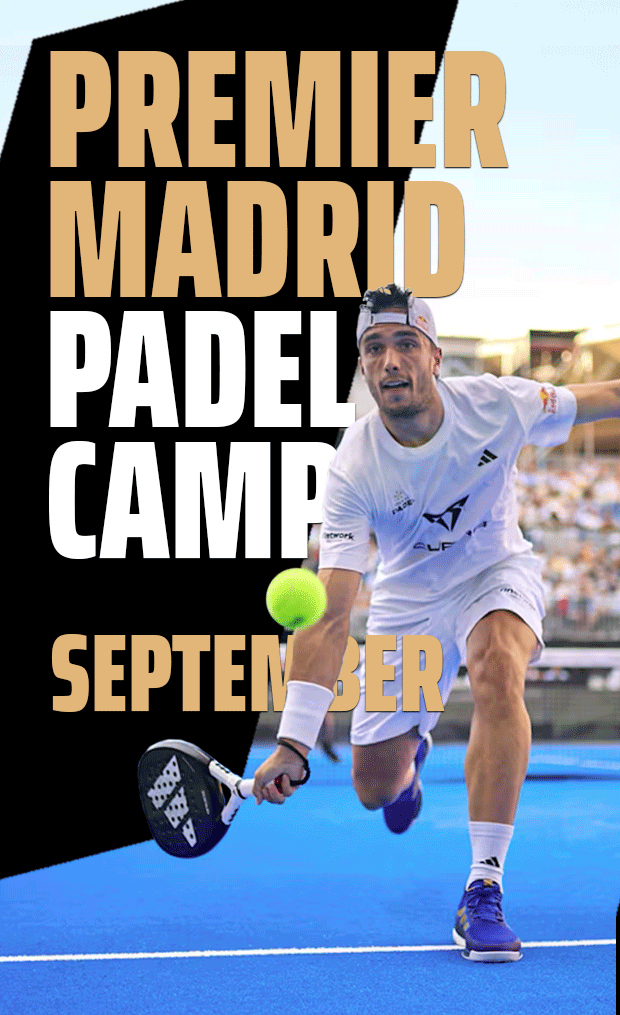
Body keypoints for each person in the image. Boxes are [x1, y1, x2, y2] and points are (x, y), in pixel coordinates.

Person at [252, 284, 619, 962]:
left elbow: (599, 397)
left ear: (435, 355)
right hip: (406, 602)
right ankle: (409, 763)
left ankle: (484, 887)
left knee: (497, 670)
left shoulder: (498, 404)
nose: (390, 360)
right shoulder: (352, 466)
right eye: (374, 348)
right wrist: (294, 742)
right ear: (363, 366)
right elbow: (333, 612)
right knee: (374, 789)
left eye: (404, 343)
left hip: (495, 572)